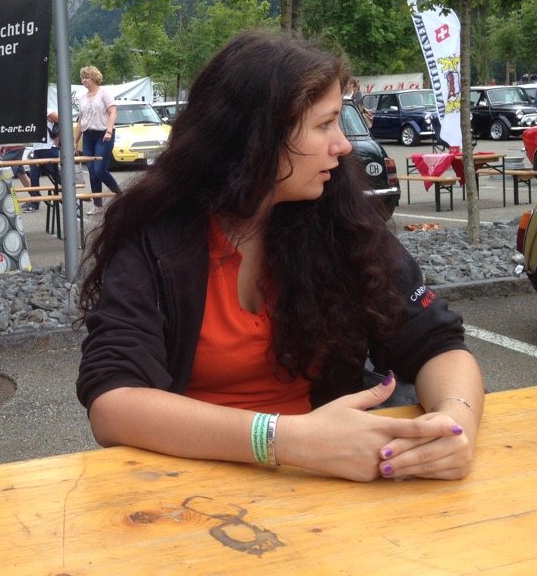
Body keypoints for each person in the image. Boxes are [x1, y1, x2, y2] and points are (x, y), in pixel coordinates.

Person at [76, 30, 483, 483]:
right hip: (187, 487)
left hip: (326, 483)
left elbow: (437, 342)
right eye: (325, 124)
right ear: (258, 137)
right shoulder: (156, 235)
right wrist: (286, 440)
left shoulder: (338, 216)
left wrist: (456, 424)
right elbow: (112, 403)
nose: (343, 145)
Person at [73, 66, 121, 214]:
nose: (84, 80)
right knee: (92, 171)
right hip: (88, 135)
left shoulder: (103, 93)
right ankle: (98, 205)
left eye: (86, 77)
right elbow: (81, 121)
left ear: (94, 78)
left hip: (103, 134)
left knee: (99, 169)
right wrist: (75, 141)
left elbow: (113, 112)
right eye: (82, 78)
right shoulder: (82, 98)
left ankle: (120, 195)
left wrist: (109, 130)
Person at [24, 110, 61, 211]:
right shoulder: (32, 113)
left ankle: (71, 197)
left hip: (49, 149)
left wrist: (58, 137)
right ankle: (35, 204)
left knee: (57, 178)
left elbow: (63, 120)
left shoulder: (47, 111)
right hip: (37, 150)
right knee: (34, 177)